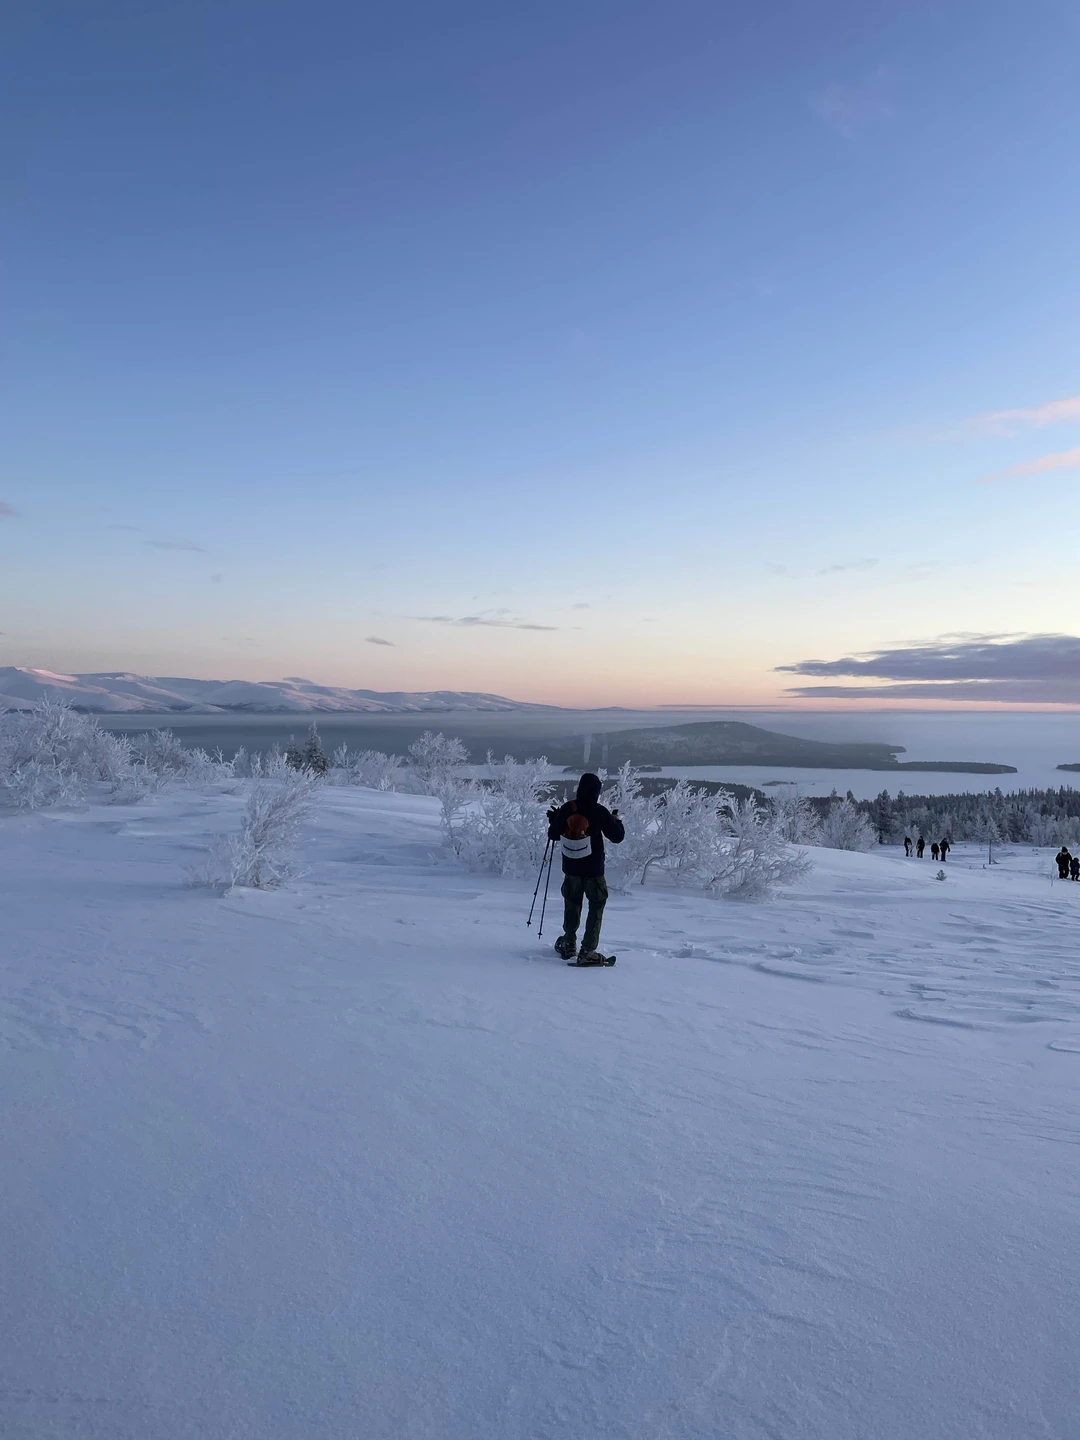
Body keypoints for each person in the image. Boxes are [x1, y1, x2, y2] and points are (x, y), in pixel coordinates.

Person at [547, 773, 625, 964]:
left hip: (571, 867)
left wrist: (555, 819)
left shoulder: (568, 808)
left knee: (572, 903)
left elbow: (553, 834)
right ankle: (588, 951)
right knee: (596, 906)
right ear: (597, 792)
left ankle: (568, 943)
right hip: (593, 869)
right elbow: (617, 837)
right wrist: (616, 820)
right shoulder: (600, 811)